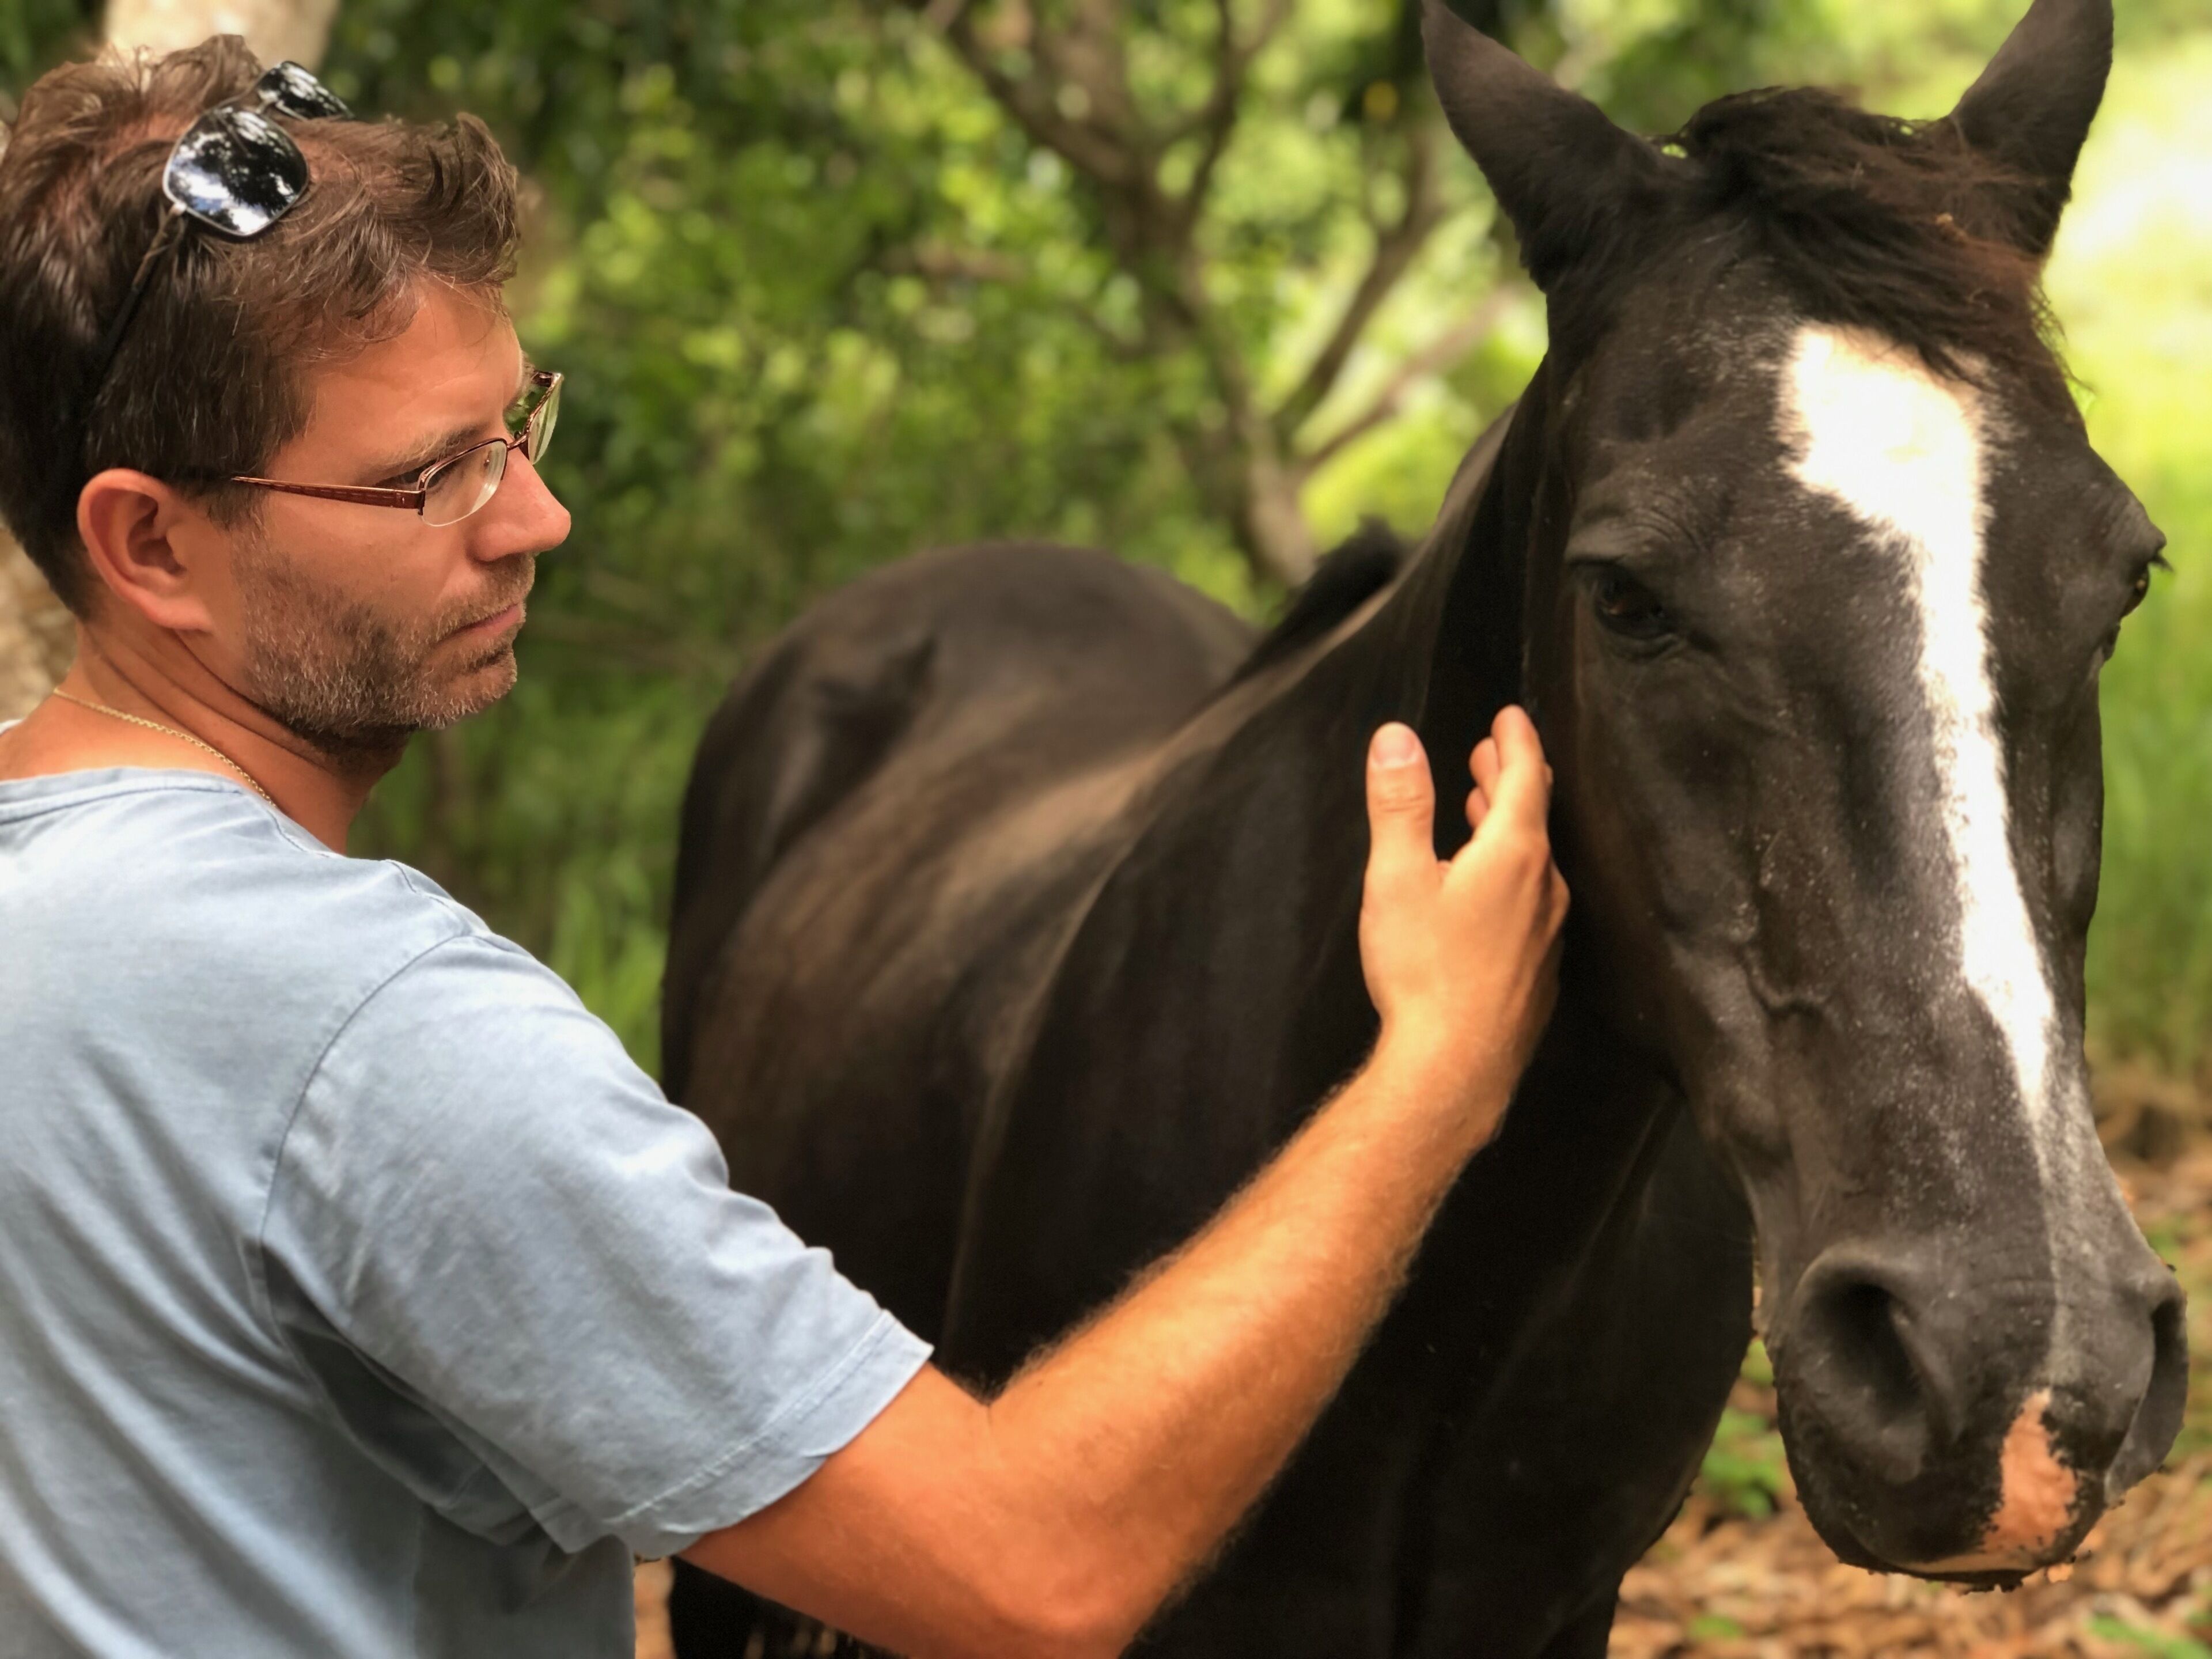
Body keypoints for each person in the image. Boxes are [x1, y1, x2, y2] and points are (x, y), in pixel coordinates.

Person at [0, 39, 1568, 1659]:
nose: (535, 518)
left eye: (517, 425)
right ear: (151, 542)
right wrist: (1434, 1073)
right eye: (431, 477)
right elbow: (1032, 1570)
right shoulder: (376, 1037)